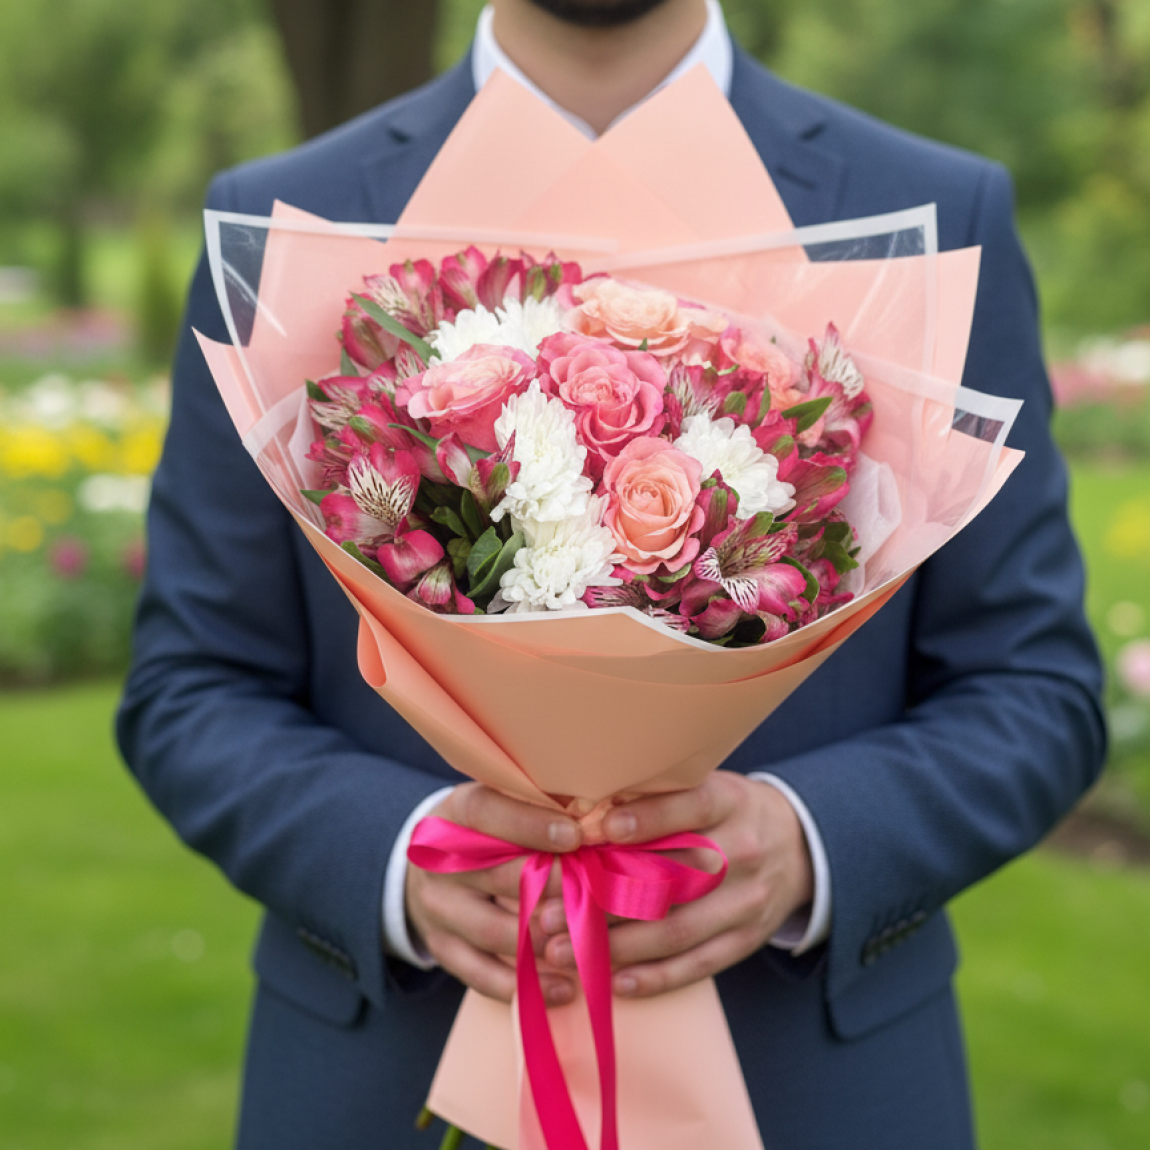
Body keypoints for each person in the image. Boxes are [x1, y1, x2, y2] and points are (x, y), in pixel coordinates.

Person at [116, 1, 1106, 1147]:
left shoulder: (928, 210)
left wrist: (805, 840)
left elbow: (1035, 689)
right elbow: (191, 684)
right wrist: (404, 857)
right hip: (383, 1080)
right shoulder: (286, 216)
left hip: (817, 1087)